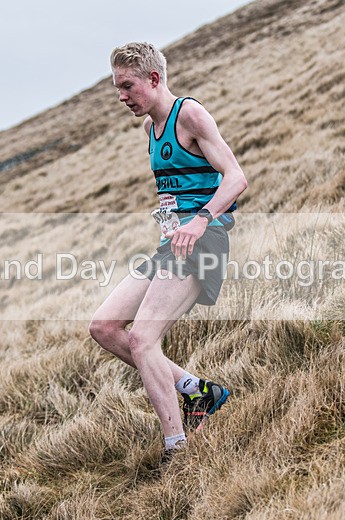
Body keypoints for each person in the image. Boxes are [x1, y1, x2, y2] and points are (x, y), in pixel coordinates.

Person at [88, 42, 247, 459]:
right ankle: (199, 392)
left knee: (142, 339)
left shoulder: (190, 115)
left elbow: (235, 178)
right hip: (170, 245)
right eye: (117, 87)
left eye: (128, 86)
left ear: (154, 79)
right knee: (104, 327)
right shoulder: (150, 130)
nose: (121, 96)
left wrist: (200, 218)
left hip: (204, 242)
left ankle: (176, 447)